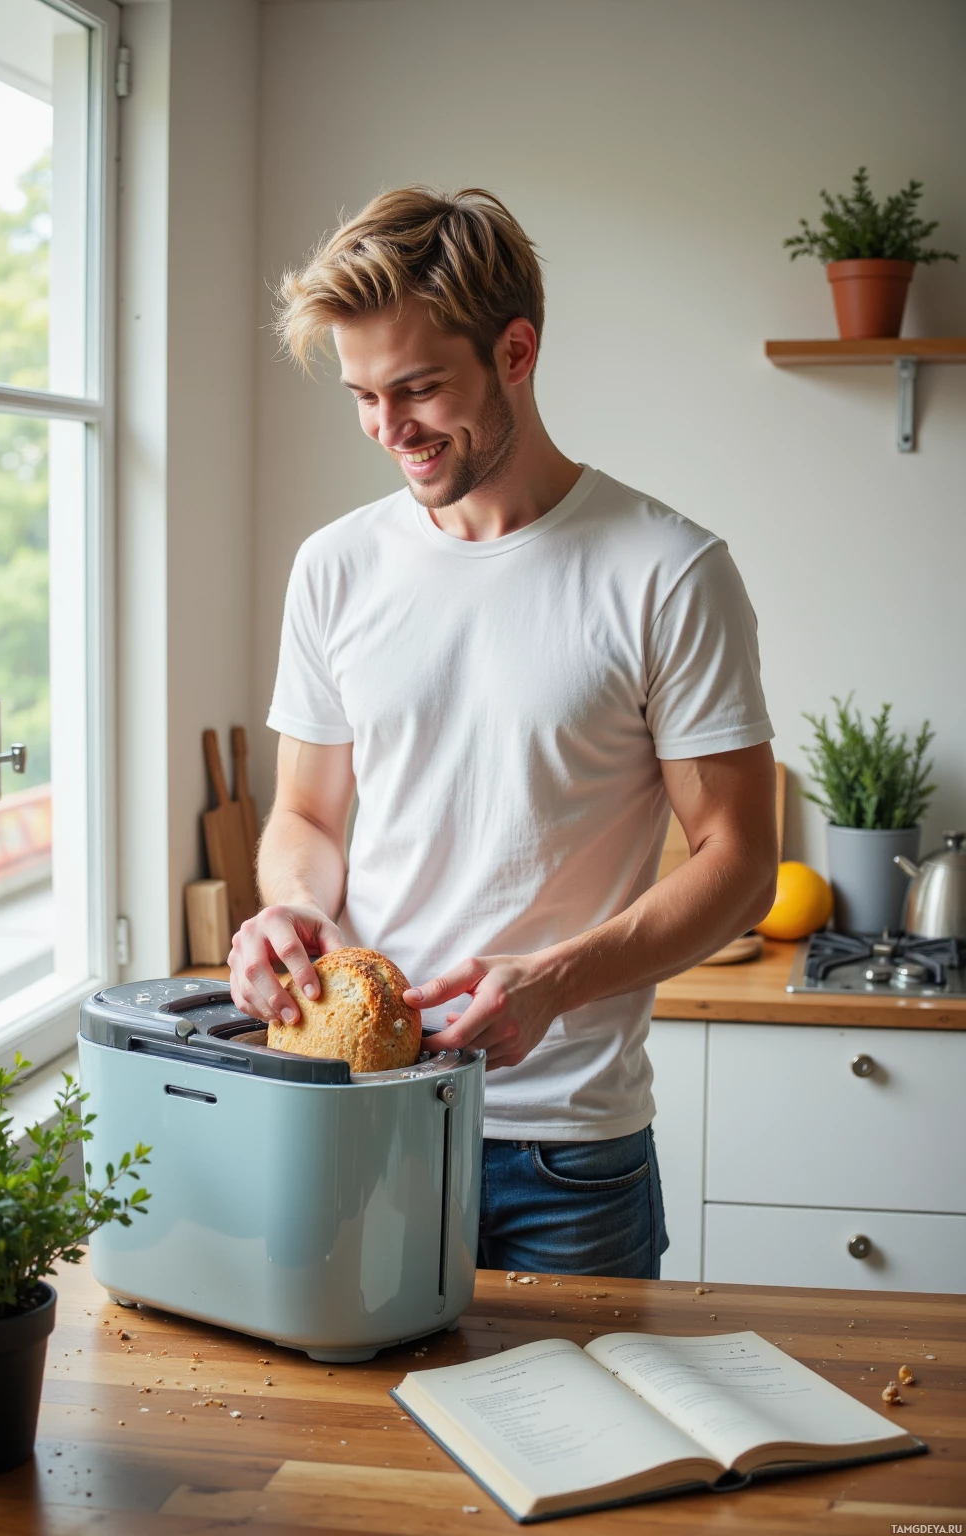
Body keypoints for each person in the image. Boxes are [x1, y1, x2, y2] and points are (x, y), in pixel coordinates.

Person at [230, 186, 778, 1278]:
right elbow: (304, 812)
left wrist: (557, 981)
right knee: (351, 1451)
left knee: (582, 1450)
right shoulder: (334, 567)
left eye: (420, 389)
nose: (390, 431)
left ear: (515, 351)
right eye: (362, 396)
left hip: (565, 1154)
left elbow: (740, 863)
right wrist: (290, 902)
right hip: (357, 1122)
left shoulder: (666, 571)